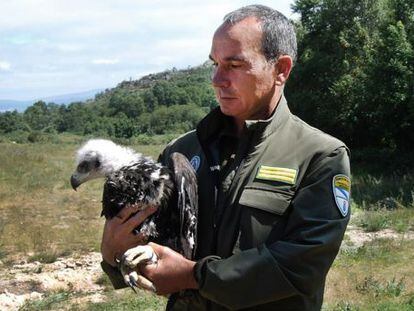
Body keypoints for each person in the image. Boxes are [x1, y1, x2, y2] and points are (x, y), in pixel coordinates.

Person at [100, 4, 351, 310]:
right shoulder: (181, 152)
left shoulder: (319, 156)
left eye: (234, 65)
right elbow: (154, 248)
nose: (217, 79)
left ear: (281, 70)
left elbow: (301, 265)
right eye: (215, 63)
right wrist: (115, 254)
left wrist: (195, 276)